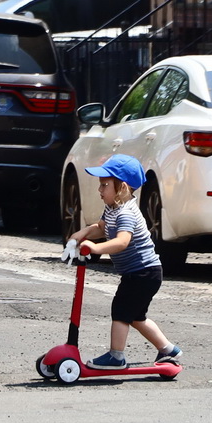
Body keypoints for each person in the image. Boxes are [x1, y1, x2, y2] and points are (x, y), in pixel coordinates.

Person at [68, 154, 182, 370]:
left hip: (144, 272)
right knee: (136, 316)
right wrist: (81, 234)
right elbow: (101, 227)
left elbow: (122, 242)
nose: (100, 190)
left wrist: (95, 248)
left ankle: (116, 356)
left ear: (122, 187)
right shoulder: (112, 208)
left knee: (121, 311)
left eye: (104, 185)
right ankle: (168, 349)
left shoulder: (126, 213)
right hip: (140, 273)